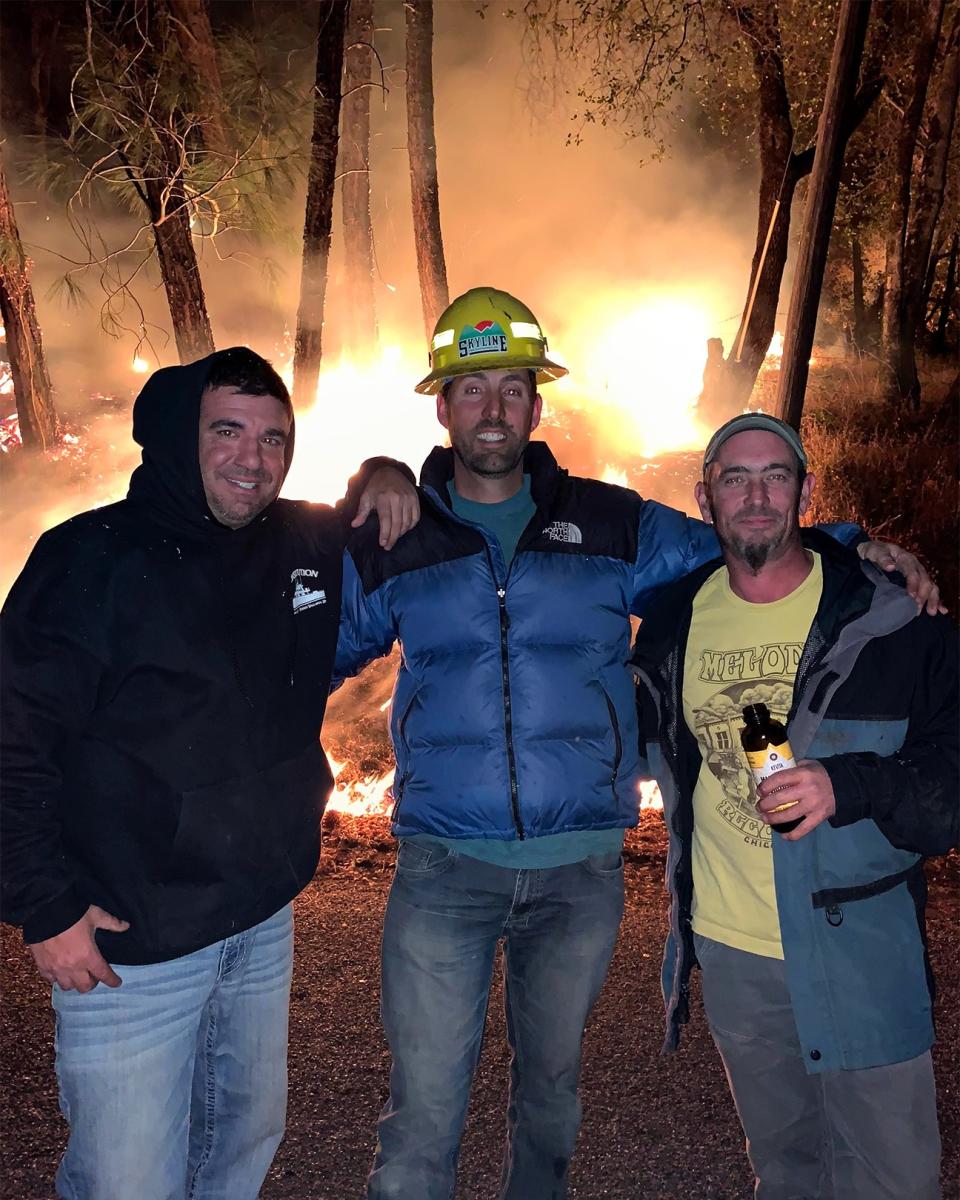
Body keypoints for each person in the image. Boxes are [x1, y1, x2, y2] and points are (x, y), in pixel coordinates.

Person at [333, 287, 940, 1200]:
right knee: (421, 1114)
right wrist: (368, 474)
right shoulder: (400, 533)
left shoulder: (615, 524)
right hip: (444, 869)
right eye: (471, 388)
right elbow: (312, 649)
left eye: (512, 387)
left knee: (549, 1101)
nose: (493, 408)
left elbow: (745, 541)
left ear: (538, 403)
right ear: (441, 403)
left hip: (579, 873)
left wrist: (859, 548)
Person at [0, 346, 419, 1200]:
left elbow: (371, 510)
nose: (251, 458)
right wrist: (44, 908)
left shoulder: (303, 540)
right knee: (127, 1181)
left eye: (272, 438)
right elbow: (12, 744)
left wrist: (383, 466)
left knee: (237, 1154)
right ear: (172, 436)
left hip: (259, 923)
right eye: (226, 431)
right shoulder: (88, 561)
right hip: (130, 944)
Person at [630, 412, 958, 1200]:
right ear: (705, 497)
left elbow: (949, 788)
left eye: (775, 475)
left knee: (894, 1179)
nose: (755, 496)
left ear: (807, 491)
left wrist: (848, 784)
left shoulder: (895, 619)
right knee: (787, 1174)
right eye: (734, 478)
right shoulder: (671, 621)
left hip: (863, 949)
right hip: (736, 956)